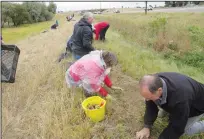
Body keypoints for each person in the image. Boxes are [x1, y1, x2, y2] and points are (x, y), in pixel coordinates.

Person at [136, 72, 204, 139]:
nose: (146, 100)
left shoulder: (180, 99)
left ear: (159, 90)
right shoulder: (154, 81)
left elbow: (177, 127)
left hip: (197, 105)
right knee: (161, 114)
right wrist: (147, 127)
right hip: (181, 97)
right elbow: (150, 105)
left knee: (185, 131)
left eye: (149, 97)